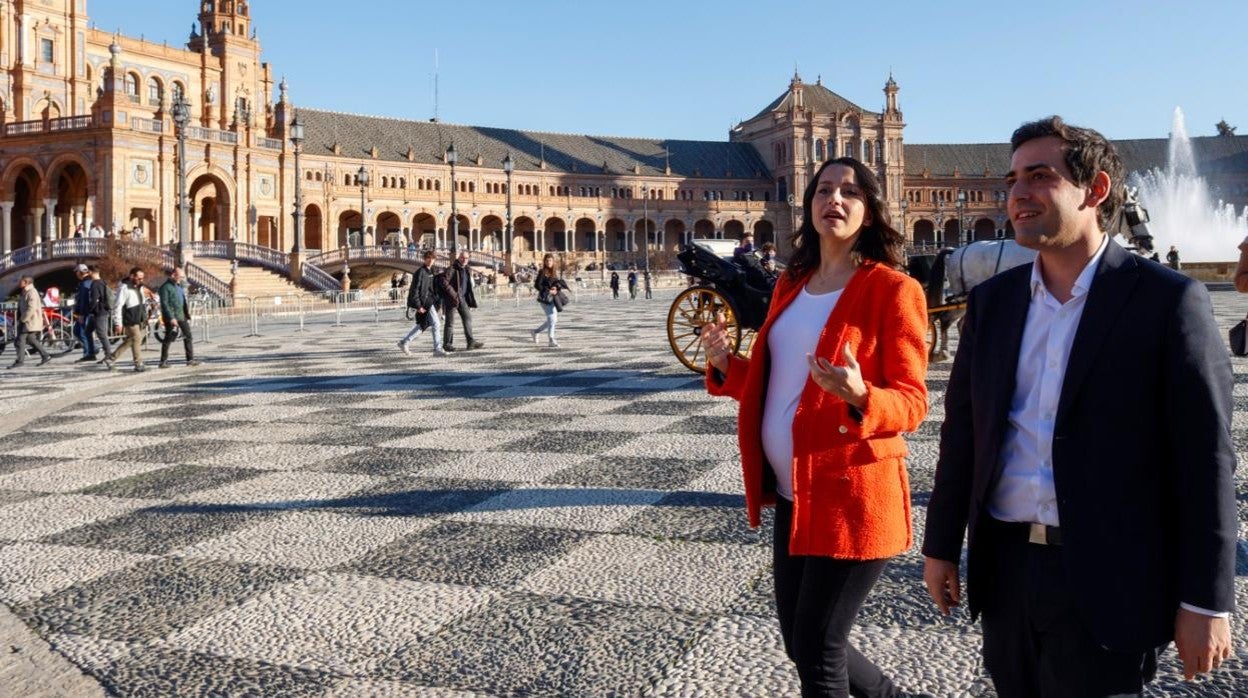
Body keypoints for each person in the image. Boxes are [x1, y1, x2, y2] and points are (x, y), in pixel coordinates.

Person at [922, 116, 1236, 696]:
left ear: (1096, 190)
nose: (1018, 193)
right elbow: (963, 435)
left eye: (1040, 176)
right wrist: (940, 545)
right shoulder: (993, 303)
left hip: (1110, 574)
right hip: (1007, 570)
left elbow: (1206, 460)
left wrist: (1207, 600)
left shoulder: (1167, 301)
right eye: (1013, 180)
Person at [702, 157, 930, 697]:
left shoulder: (893, 290)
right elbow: (775, 382)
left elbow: (913, 402)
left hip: (852, 494)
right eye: (824, 190)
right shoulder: (792, 283)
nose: (835, 200)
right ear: (808, 205)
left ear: (870, 210)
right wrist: (725, 363)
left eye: (850, 192)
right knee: (802, 640)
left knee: (819, 649)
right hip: (796, 493)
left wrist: (861, 396)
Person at [398, 250, 445, 356]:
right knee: (436, 323)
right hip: (425, 302)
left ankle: (404, 342)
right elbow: (414, 290)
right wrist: (418, 306)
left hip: (432, 301)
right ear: (424, 259)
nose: (430, 261)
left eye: (432, 259)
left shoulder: (432, 271)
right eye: (428, 258)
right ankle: (437, 349)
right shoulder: (420, 272)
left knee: (423, 324)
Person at [158, 267, 199, 368]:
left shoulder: (178, 286)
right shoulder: (165, 287)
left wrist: (186, 314)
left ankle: (190, 359)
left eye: (182, 277)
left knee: (188, 336)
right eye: (180, 277)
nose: (181, 279)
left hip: (181, 315)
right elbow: (165, 304)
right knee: (169, 338)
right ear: (173, 275)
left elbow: (182, 301)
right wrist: (171, 317)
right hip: (171, 316)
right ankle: (163, 361)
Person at [442, 250, 483, 351]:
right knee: (450, 322)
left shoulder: (467, 269)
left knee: (467, 318)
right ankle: (447, 344)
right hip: (452, 299)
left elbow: (467, 286)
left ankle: (470, 342)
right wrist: (453, 293)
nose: (464, 260)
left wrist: (469, 300)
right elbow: (444, 282)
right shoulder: (452, 269)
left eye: (466, 258)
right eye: (462, 258)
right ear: (459, 258)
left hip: (462, 299)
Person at [8, 276, 52, 369]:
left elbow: (31, 308)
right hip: (26, 320)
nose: (18, 283)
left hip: (30, 321)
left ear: (26, 282)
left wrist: (23, 319)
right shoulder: (25, 291)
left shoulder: (32, 292)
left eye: (20, 281)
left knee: (20, 340)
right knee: (31, 339)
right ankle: (45, 355)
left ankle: (20, 361)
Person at [112, 266, 148, 373]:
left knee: (132, 340)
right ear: (132, 276)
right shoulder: (124, 288)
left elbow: (141, 301)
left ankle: (111, 358)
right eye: (139, 278)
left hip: (139, 317)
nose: (141, 280)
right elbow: (118, 306)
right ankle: (138, 363)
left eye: (143, 278)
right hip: (130, 318)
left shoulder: (140, 287)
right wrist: (118, 323)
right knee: (136, 338)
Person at [530, 253, 568, 348]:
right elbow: (537, 285)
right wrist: (548, 290)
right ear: (544, 262)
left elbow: (556, 283)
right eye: (547, 261)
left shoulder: (554, 272)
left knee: (553, 320)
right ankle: (551, 339)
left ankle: (535, 332)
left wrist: (556, 288)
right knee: (552, 318)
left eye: (550, 260)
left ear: (553, 261)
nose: (549, 262)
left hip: (553, 298)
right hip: (545, 298)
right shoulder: (542, 272)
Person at [85, 266, 116, 369]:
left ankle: (108, 354)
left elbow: (94, 299)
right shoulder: (103, 282)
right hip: (101, 311)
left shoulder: (95, 284)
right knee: (88, 331)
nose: (88, 274)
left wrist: (89, 310)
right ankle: (91, 352)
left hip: (99, 312)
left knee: (101, 334)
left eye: (89, 272)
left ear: (91, 272)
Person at [71, 264, 97, 362]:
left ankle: (89, 352)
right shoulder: (87, 282)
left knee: (81, 332)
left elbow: (84, 301)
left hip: (85, 313)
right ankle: (92, 349)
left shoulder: (85, 284)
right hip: (85, 312)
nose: (76, 274)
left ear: (80, 272)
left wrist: (81, 314)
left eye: (76, 272)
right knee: (79, 331)